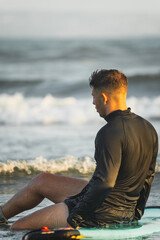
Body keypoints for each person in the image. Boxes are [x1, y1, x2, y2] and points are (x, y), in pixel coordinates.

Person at [0, 69, 158, 230]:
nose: (93, 103)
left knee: (17, 227)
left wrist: (74, 220)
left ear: (104, 98)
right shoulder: (149, 129)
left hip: (101, 214)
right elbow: (148, 178)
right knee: (42, 180)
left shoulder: (109, 132)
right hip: (122, 208)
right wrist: (135, 215)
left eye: (93, 96)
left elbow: (105, 183)